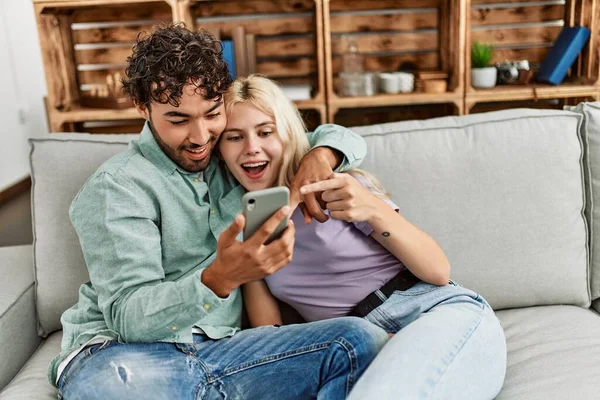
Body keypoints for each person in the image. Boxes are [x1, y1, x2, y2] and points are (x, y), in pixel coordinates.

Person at [49, 24, 391, 399]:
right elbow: (130, 318)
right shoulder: (117, 187)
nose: (199, 137)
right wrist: (217, 281)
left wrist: (321, 155)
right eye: (178, 120)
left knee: (357, 340)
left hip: (226, 355)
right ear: (143, 107)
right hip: (124, 355)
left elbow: (338, 136)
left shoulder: (233, 158)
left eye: (212, 114)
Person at [218, 74, 508, 399]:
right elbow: (272, 337)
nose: (251, 148)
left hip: (434, 313)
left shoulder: (337, 184)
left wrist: (371, 208)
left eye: (265, 132)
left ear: (287, 133)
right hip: (354, 347)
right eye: (234, 137)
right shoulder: (244, 228)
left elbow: (438, 271)